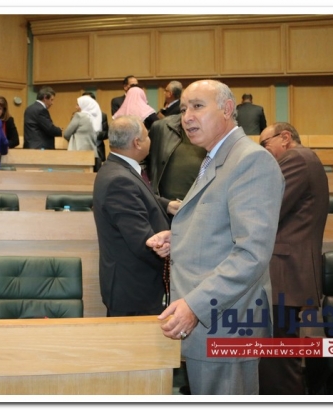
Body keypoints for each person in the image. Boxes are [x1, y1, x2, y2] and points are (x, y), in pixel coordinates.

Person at [146, 79, 284, 395]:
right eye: (183, 109)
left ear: (227, 109)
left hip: (227, 323)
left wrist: (195, 306)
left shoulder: (250, 160)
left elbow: (251, 253)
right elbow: (219, 225)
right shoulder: (215, 157)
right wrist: (177, 237)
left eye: (197, 106)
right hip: (214, 323)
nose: (187, 117)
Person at [257, 122, 329, 395]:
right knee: (278, 358)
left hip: (283, 272)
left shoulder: (295, 158)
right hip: (286, 272)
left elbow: (267, 207)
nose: (263, 151)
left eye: (265, 144)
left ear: (285, 137)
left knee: (279, 362)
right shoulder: (305, 158)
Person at [93, 115, 171, 317]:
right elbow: (143, 242)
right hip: (135, 291)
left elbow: (138, 197)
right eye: (147, 136)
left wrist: (168, 205)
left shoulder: (115, 168)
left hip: (131, 284)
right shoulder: (119, 180)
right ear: (137, 142)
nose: (150, 140)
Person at [147, 113, 206, 202]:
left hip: (201, 206)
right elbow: (143, 163)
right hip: (163, 206)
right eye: (184, 109)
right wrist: (161, 202)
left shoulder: (221, 133)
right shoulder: (162, 128)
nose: (188, 113)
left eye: (197, 106)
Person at [63, 95, 101, 160]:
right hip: (92, 153)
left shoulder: (79, 116)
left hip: (78, 152)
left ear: (84, 105)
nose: (76, 107)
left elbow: (66, 134)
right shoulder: (95, 118)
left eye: (78, 105)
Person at [81, 92, 109, 167]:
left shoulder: (102, 115)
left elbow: (107, 133)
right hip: (82, 149)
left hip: (98, 149)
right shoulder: (78, 116)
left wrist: (95, 135)